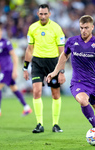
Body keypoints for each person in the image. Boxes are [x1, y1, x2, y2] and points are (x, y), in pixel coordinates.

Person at [46, 15, 95, 143]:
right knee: (83, 100)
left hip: (94, 84)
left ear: (92, 27)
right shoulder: (72, 41)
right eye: (81, 28)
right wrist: (55, 72)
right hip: (78, 82)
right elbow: (64, 56)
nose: (83, 30)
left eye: (86, 28)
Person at [23, 4, 66, 133]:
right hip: (37, 63)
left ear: (49, 14)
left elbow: (62, 52)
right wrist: (25, 68)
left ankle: (55, 124)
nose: (43, 16)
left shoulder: (56, 28)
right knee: (36, 92)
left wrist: (61, 71)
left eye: (45, 14)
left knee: (55, 94)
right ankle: (39, 124)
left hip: (53, 64)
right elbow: (29, 49)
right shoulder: (32, 28)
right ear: (37, 14)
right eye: (41, 14)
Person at [0, 24, 32, 117]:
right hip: (5, 69)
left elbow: (14, 56)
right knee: (14, 88)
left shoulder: (6, 43)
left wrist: (15, 71)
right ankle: (27, 108)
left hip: (8, 69)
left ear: (1, 32)